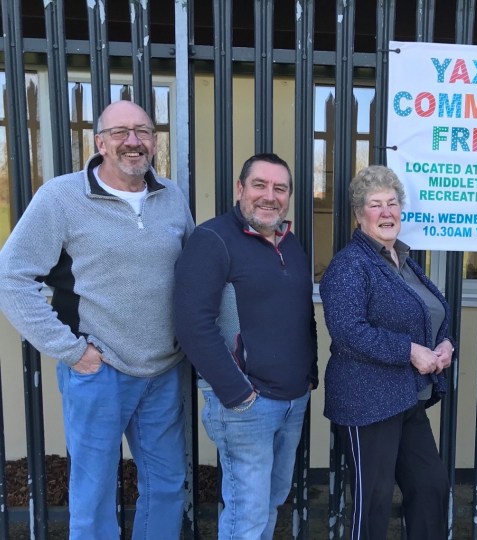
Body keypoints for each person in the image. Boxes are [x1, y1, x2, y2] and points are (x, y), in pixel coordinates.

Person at [0, 100, 194, 539]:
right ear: (100, 142)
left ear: (155, 141)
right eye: (121, 132)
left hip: (163, 371)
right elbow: (11, 277)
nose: (133, 141)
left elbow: (196, 273)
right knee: (94, 495)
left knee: (166, 488)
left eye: (143, 131)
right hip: (99, 372)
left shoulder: (172, 196)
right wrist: (73, 352)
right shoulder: (62, 197)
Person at [174, 153, 317, 540]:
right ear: (240, 189)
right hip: (246, 404)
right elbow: (192, 325)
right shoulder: (212, 240)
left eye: (280, 188)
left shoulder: (291, 243)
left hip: (292, 400)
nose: (269, 196)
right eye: (260, 185)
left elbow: (302, 311)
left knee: (271, 501)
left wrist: (308, 377)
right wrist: (237, 394)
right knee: (247, 514)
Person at [320, 165, 453, 540]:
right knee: (373, 501)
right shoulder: (350, 265)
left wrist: (446, 343)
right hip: (366, 401)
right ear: (360, 214)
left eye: (392, 203)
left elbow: (428, 314)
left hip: (405, 398)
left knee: (430, 485)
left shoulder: (403, 261)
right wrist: (410, 351)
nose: (386, 212)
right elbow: (348, 331)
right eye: (375, 204)